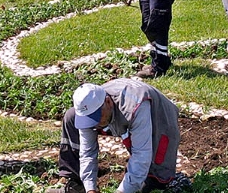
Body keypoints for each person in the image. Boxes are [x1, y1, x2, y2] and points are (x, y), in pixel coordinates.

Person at [48, 78, 180, 193]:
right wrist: (90, 188)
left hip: (160, 117)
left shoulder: (136, 107)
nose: (94, 124)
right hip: (118, 114)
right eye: (89, 119)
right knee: (71, 118)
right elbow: (87, 152)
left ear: (108, 102)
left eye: (96, 117)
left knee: (156, 182)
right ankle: (76, 185)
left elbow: (141, 154)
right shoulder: (90, 111)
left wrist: (122, 191)